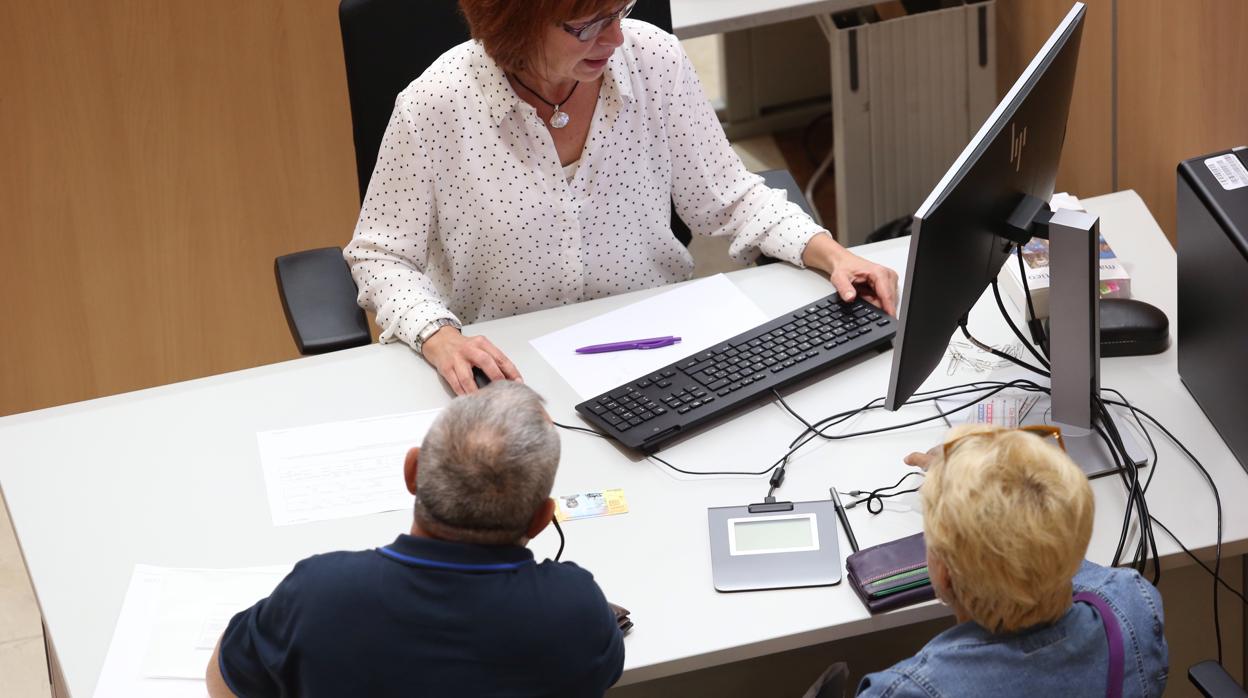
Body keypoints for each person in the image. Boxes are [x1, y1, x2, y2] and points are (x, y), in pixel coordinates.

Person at [344, 0, 899, 395]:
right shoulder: (436, 106)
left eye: (620, 12)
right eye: (587, 25)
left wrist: (833, 253)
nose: (614, 40)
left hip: (656, 356)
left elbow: (731, 199)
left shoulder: (653, 61)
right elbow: (381, 255)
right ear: (512, 21)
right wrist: (437, 336)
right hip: (511, 374)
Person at [205, 381, 625, 697]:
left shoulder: (320, 591)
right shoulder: (576, 609)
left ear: (412, 473)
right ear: (541, 518)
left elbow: (223, 682)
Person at [856, 425, 1168, 697]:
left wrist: (963, 483)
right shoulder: (1135, 605)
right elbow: (1057, 556)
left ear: (943, 574)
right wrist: (981, 476)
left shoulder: (907, 691)